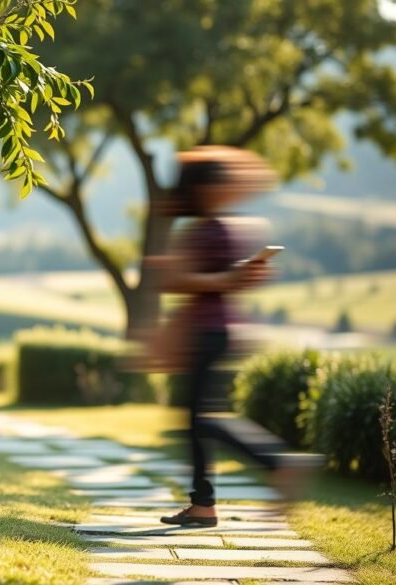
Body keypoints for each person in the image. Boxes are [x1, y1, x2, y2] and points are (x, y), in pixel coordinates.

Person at [152, 146, 285, 526]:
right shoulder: (224, 226)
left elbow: (176, 278)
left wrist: (213, 278)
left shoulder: (209, 228)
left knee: (201, 419)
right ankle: (203, 504)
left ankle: (275, 462)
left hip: (207, 332)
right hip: (217, 330)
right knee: (197, 418)